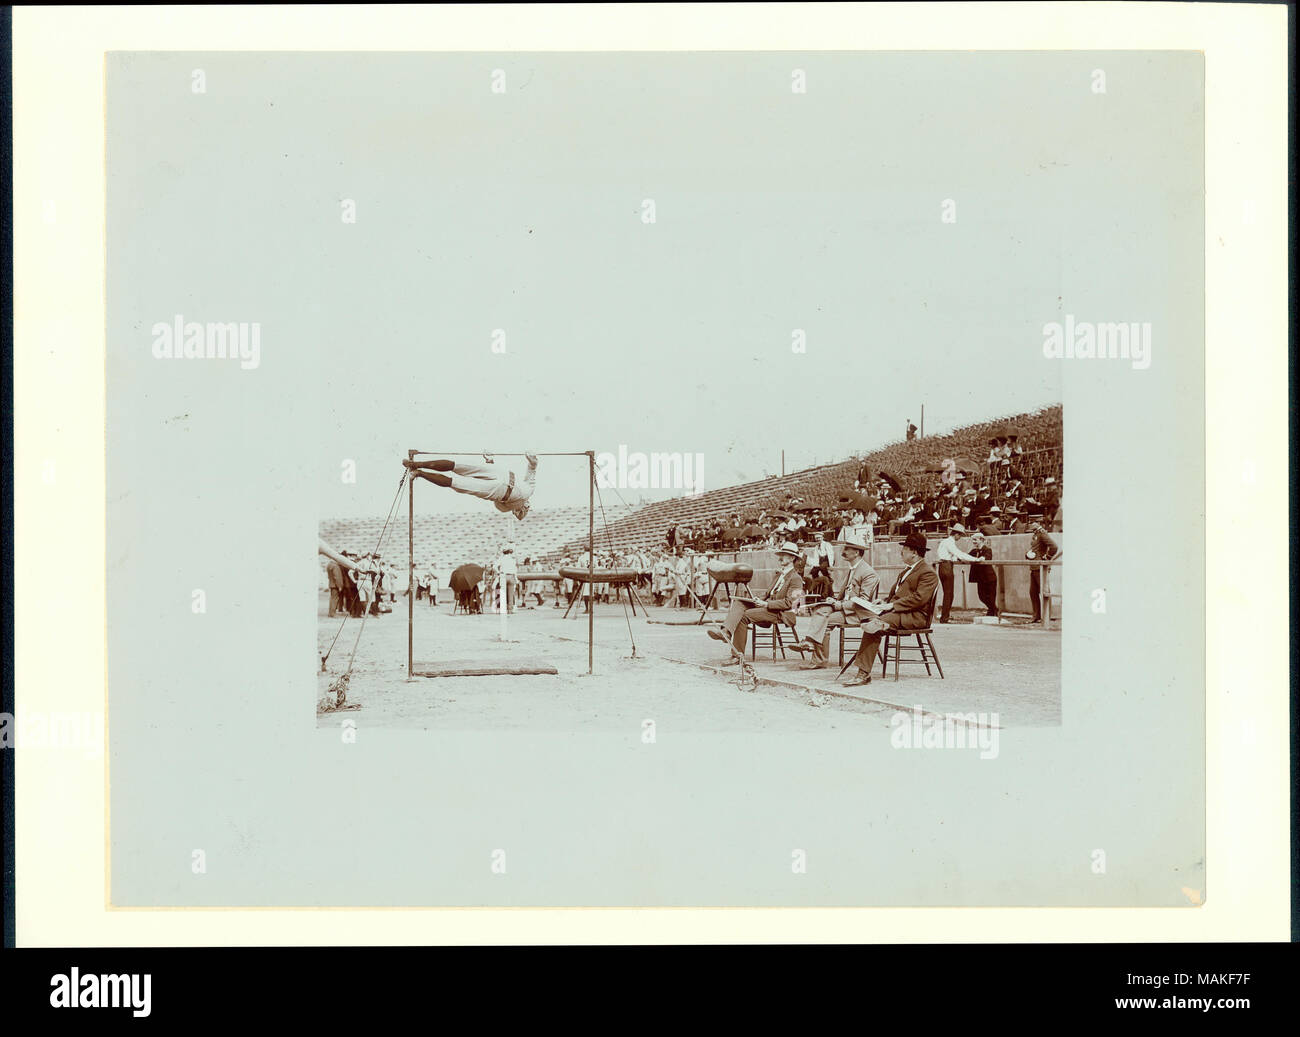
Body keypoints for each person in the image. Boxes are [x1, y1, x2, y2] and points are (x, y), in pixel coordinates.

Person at [843, 531, 938, 687]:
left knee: (874, 625)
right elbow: (898, 595)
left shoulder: (928, 572)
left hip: (914, 616)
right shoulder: (906, 571)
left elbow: (919, 599)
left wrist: (892, 605)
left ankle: (863, 673)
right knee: (868, 617)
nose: (901, 552)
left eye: (905, 549)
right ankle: (863, 666)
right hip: (898, 612)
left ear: (914, 553)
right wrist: (885, 601)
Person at [705, 541, 804, 663]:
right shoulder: (779, 575)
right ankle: (726, 632)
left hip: (781, 613)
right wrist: (757, 600)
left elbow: (791, 603)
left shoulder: (796, 579)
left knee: (743, 617)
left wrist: (766, 604)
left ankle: (737, 656)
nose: (780, 558)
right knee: (739, 602)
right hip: (767, 607)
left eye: (783, 555)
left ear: (792, 558)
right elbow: (769, 594)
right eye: (780, 554)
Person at [794, 530, 879, 670]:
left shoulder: (868, 572)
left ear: (856, 553)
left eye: (847, 549)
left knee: (825, 620)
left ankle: (817, 656)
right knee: (820, 608)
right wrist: (833, 600)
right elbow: (846, 595)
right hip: (845, 609)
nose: (844, 551)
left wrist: (839, 604)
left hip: (857, 613)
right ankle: (810, 644)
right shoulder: (853, 569)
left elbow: (863, 601)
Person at [403, 452, 538, 521]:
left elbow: (517, 513)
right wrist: (532, 460)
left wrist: (490, 462)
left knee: (458, 483)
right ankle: (417, 465)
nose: (522, 508)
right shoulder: (529, 490)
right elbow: (532, 469)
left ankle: (419, 473)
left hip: (498, 490)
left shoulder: (506, 507)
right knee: (460, 466)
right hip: (503, 474)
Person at [935, 523, 981, 623]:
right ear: (955, 534)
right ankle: (944, 617)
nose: (959, 537)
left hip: (943, 566)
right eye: (959, 535)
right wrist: (975, 559)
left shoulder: (944, 542)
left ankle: (945, 616)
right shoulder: (950, 543)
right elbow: (959, 554)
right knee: (949, 594)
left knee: (948, 593)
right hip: (947, 567)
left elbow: (951, 555)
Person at [1025, 522, 1060, 623]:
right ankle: (1036, 616)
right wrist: (1028, 554)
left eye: (1033, 522)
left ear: (1039, 523)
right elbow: (1034, 549)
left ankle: (1047, 616)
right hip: (1034, 566)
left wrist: (1047, 557)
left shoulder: (1042, 533)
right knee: (1033, 592)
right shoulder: (1036, 533)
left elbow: (1054, 547)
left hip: (1040, 567)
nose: (1031, 524)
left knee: (1044, 591)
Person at [968, 531, 998, 617]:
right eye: (973, 540)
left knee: (991, 597)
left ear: (981, 540)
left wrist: (982, 558)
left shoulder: (987, 549)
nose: (973, 542)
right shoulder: (974, 551)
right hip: (980, 578)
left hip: (989, 578)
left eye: (975, 540)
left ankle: (992, 611)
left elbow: (987, 557)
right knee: (981, 596)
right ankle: (994, 609)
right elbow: (966, 556)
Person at [497, 544, 518, 614]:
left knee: (503, 594)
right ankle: (510, 609)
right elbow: (515, 570)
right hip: (511, 575)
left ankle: (503, 609)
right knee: (511, 594)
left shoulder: (501, 558)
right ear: (509, 552)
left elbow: (494, 567)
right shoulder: (512, 559)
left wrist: (499, 572)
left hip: (503, 575)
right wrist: (516, 578)